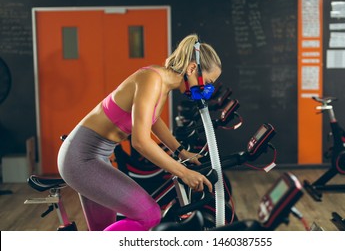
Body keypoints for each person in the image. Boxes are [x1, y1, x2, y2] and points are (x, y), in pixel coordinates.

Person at [57, 33, 222, 231]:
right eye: (208, 81)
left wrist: (181, 152)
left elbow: (153, 121)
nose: (207, 89)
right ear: (192, 68)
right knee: (149, 215)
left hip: (96, 157)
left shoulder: (162, 83)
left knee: (103, 228)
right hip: (81, 158)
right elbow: (141, 142)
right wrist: (183, 172)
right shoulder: (151, 79)